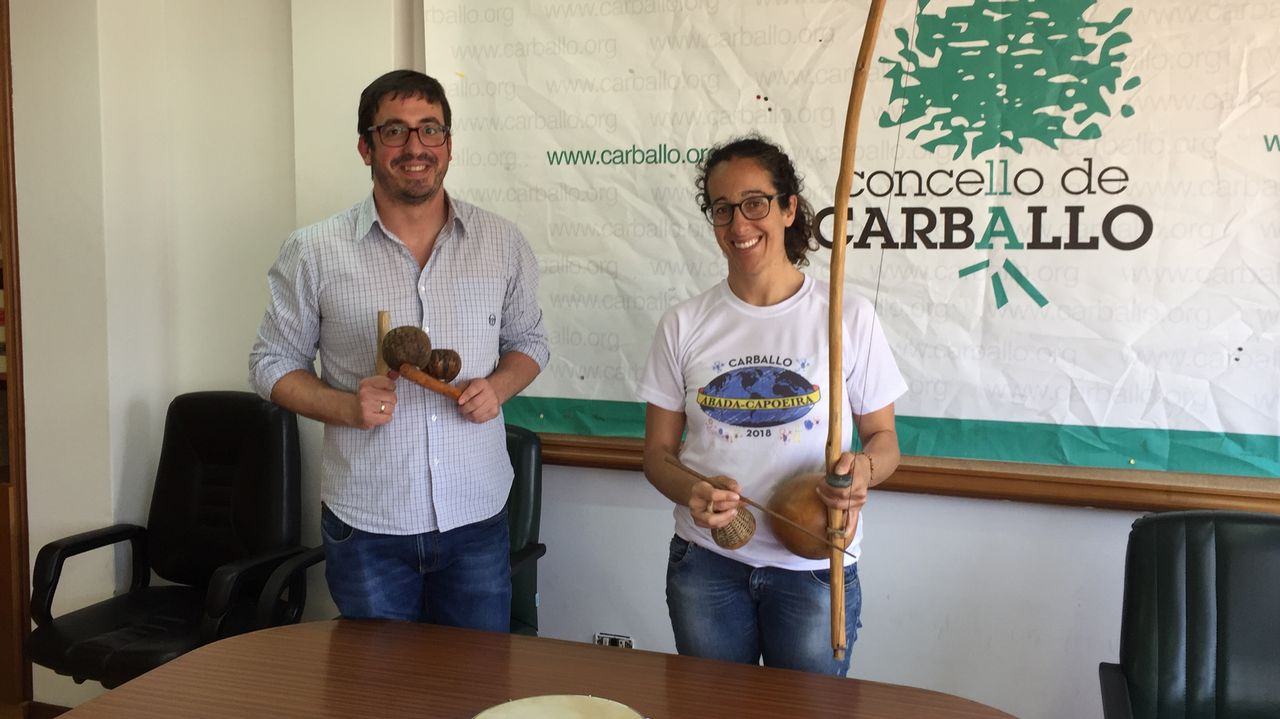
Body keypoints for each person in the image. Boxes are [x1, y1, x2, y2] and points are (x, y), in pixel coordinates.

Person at [249, 70, 549, 631]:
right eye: (395, 131)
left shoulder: (501, 242)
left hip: (476, 518)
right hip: (367, 525)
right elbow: (270, 364)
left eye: (430, 130)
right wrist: (344, 407)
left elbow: (530, 342)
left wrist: (500, 386)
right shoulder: (313, 251)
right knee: (379, 702)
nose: (415, 147)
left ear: (449, 145)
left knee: (477, 691)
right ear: (366, 147)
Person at [636, 135, 907, 675]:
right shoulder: (684, 324)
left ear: (789, 209)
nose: (739, 224)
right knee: (711, 712)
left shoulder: (845, 317)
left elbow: (885, 441)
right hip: (707, 565)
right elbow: (657, 454)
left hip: (815, 566)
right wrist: (693, 490)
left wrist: (863, 473)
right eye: (722, 209)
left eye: (755, 203)